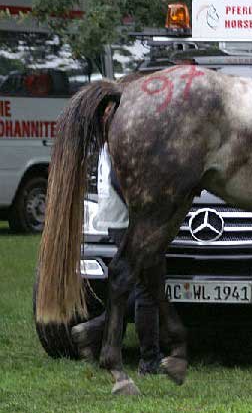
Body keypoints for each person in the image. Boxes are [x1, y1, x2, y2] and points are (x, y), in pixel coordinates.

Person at [74, 101, 162, 375]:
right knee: (148, 289)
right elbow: (116, 180)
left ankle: (95, 331)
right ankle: (149, 360)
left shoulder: (108, 140)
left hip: (116, 220)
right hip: (127, 220)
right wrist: (142, 210)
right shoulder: (117, 140)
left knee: (136, 286)